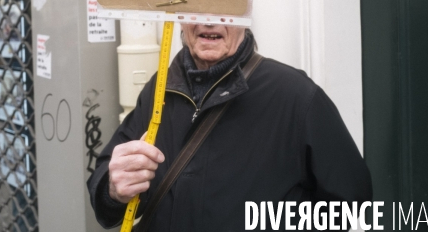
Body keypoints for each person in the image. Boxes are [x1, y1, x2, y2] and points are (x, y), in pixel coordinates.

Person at [87, 24, 373, 231]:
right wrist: (113, 190)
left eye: (222, 6)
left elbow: (353, 208)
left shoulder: (297, 97)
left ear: (245, 10)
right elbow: (105, 185)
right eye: (197, 6)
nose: (209, 21)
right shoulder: (159, 90)